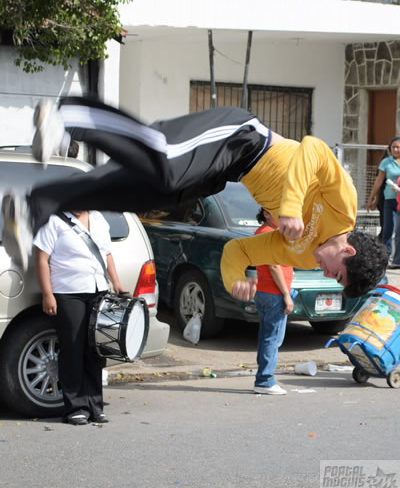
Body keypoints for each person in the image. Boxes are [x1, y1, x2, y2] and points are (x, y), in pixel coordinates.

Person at [1, 96, 388, 298]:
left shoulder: (303, 256)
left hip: (227, 172)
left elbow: (240, 251)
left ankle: (38, 203)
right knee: (166, 161)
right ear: (348, 251)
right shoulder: (344, 206)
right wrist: (290, 206)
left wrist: (236, 279)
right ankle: (69, 117)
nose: (324, 274)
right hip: (243, 138)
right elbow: (314, 149)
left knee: (150, 194)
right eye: (335, 273)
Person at [34, 209, 128, 425]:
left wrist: (116, 282)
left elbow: (106, 254)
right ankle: (76, 408)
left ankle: (95, 406)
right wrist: (47, 294)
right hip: (68, 292)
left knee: (95, 349)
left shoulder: (98, 219)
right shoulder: (54, 221)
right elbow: (41, 259)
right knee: (73, 348)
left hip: (98, 290)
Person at [253, 208, 294, 396]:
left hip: (265, 291)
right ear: (267, 214)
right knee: (273, 338)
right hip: (274, 293)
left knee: (267, 336)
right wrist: (286, 294)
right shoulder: (269, 234)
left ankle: (263, 377)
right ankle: (265, 380)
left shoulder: (263, 232)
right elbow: (274, 266)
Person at [367, 137, 400, 263]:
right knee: (387, 230)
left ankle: (397, 260)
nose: (396, 149)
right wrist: (371, 198)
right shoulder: (386, 162)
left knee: (399, 232)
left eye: (398, 147)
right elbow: (378, 182)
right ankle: (385, 259)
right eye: (393, 147)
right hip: (390, 200)